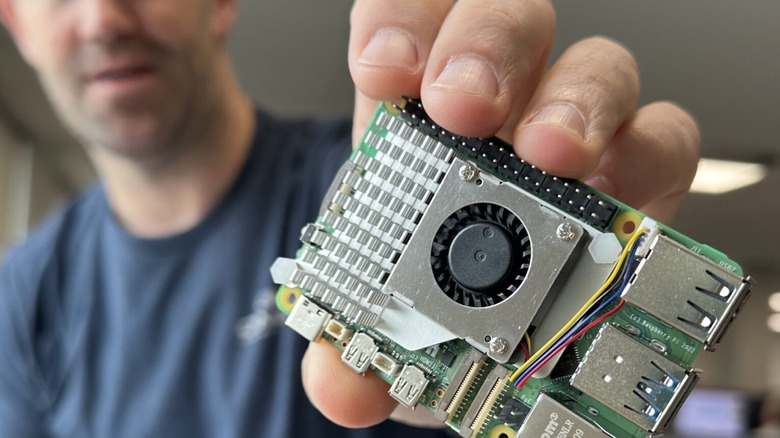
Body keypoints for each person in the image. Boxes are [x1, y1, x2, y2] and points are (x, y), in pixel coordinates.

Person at [0, 0, 701, 436]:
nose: (101, 16)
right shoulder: (21, 298)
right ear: (15, 21)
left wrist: (588, 269)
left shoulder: (408, 181)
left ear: (218, 2)